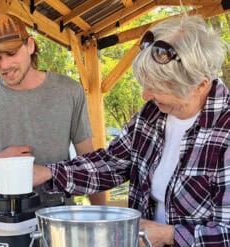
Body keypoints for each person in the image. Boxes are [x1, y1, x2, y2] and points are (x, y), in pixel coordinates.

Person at [28, 15, 229, 246]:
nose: (145, 95)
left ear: (199, 85)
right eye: (145, 84)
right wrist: (49, 173)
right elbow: (112, 163)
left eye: (157, 87)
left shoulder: (225, 132)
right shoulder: (151, 115)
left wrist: (168, 235)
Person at [0, 13, 106, 205]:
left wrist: (102, 214)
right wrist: (0, 160)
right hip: (3, 217)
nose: (5, 65)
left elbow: (87, 158)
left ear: (30, 46)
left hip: (60, 216)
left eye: (11, 53)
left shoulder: (70, 91)